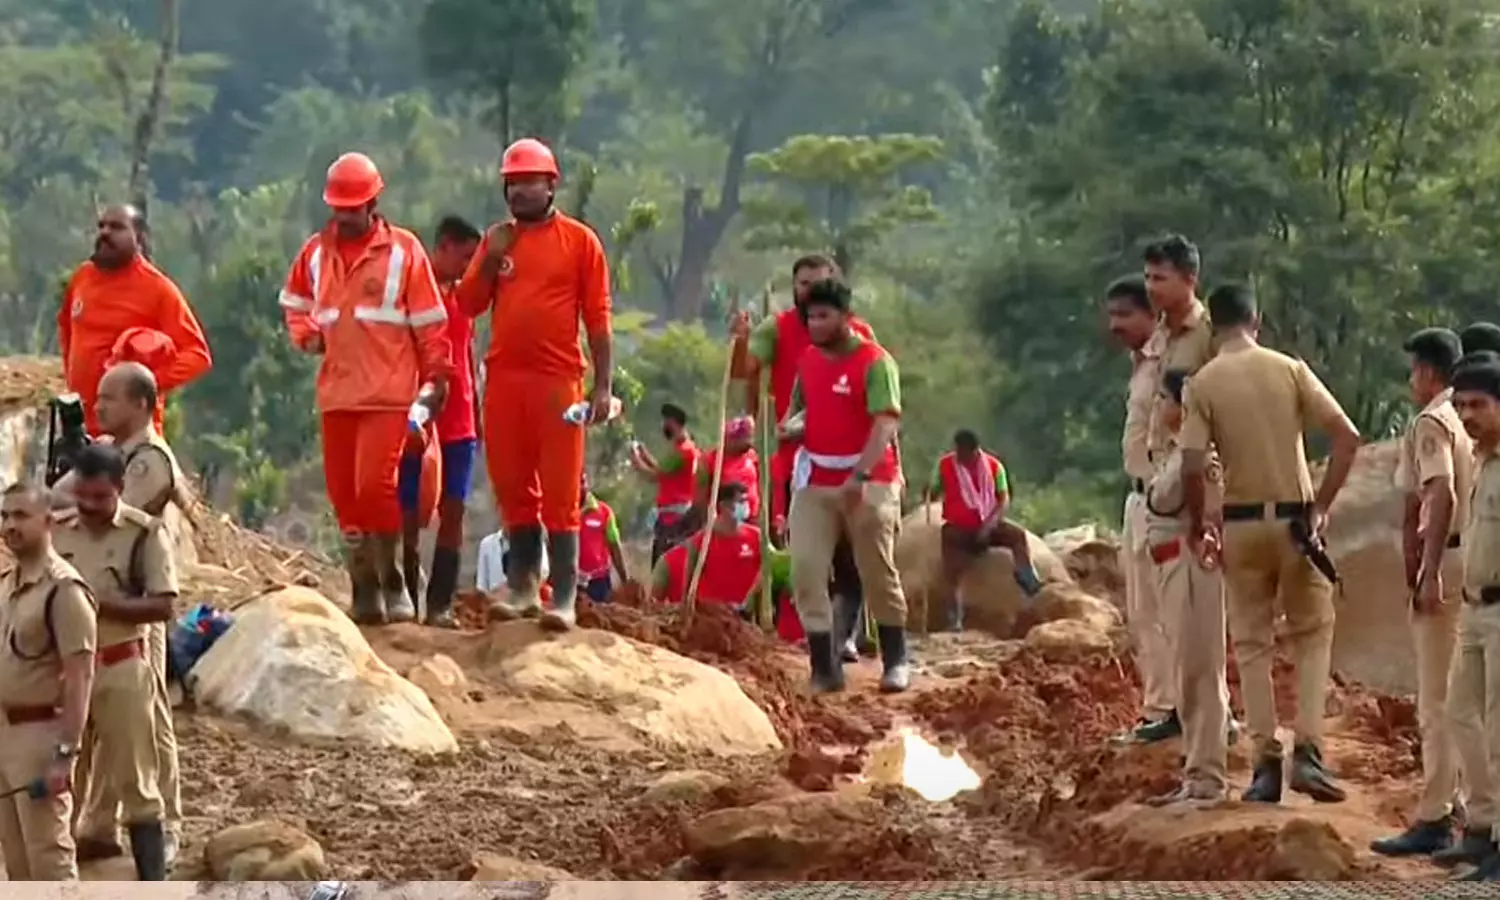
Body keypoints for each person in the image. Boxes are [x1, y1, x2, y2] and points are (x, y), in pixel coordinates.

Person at [1180, 283, 1360, 804]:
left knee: (1252, 644)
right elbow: (1347, 437)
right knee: (1312, 634)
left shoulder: (1202, 384)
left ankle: (1264, 766)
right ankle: (1309, 753)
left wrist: (1200, 524)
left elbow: (1192, 463)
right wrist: (1321, 505)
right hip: (1295, 524)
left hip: (1239, 527)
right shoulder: (1289, 369)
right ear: (1256, 321)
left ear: (1213, 327)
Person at [279, 151, 453, 627]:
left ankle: (393, 581)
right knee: (345, 496)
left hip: (388, 393)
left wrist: (436, 379)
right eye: (338, 207)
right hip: (337, 394)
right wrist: (305, 334)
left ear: (374, 203)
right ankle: (363, 587)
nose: (345, 216)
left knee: (375, 488)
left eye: (353, 207)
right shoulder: (316, 253)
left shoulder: (404, 251)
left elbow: (430, 325)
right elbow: (294, 303)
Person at [455, 137, 613, 632]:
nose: (520, 191)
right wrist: (490, 258)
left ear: (551, 186)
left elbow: (599, 319)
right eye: (513, 183)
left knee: (562, 489)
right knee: (512, 483)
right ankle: (522, 587)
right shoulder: (498, 240)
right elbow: (468, 305)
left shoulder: (580, 242)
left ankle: (563, 596)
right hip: (505, 380)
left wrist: (603, 387)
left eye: (530, 182)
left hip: (559, 381)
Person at [62, 362, 187, 865]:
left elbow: (114, 513)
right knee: (95, 725)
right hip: (98, 616)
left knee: (147, 721)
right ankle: (98, 822)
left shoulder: (148, 460)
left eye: (109, 398)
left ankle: (166, 823)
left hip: (135, 601)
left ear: (141, 403)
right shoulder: (113, 452)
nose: (100, 406)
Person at [736, 255, 877, 660]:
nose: (811, 291)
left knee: (851, 554)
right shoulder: (777, 329)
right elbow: (746, 370)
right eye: (803, 284)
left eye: (819, 284)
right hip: (797, 463)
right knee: (807, 556)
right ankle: (817, 635)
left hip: (849, 462)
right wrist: (742, 341)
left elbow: (880, 400)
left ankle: (843, 635)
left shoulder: (863, 338)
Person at [1370, 329, 1471, 856]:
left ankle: (1436, 814)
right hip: (1474, 560)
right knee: (1468, 698)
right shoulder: (1472, 416)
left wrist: (1426, 569)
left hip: (1448, 559)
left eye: (1414, 370)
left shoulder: (1432, 421)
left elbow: (1440, 489)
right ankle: (1470, 809)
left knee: (1436, 700)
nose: (1411, 381)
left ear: (1429, 372)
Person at [784, 279, 909, 694]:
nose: (816, 325)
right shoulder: (808, 361)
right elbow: (805, 411)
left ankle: (896, 659)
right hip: (816, 480)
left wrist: (859, 476)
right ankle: (824, 667)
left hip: (870, 480)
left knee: (875, 569)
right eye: (810, 317)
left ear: (846, 317)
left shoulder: (876, 362)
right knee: (806, 570)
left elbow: (886, 422)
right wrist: (790, 428)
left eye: (824, 316)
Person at [1136, 236, 1216, 742]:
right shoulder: (1162, 334)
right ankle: (1179, 711)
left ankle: (1207, 723)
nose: (1151, 287)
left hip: (1192, 487)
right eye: (1147, 277)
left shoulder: (1206, 336)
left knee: (1196, 617)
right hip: (1160, 484)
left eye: (1160, 278)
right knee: (1165, 615)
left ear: (1190, 279)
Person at [1142, 368, 1231, 804]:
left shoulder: (1201, 459)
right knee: (1186, 670)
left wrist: (1205, 540)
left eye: (1165, 399)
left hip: (1191, 566)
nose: (1159, 407)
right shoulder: (1176, 453)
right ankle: (1195, 771)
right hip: (1170, 566)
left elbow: (1211, 513)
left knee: (1200, 672)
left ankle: (1206, 777)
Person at [0, 482, 96, 880]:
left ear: (48, 521)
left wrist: (64, 756)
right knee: (17, 862)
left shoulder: (64, 590)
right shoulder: (8, 585)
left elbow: (80, 677)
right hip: (5, 734)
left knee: (49, 860)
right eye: (5, 516)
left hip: (40, 737)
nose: (10, 525)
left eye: (21, 516)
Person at [59, 204, 213, 436]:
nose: (105, 232)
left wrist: (145, 385)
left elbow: (197, 355)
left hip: (132, 434)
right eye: (101, 226)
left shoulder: (158, 289)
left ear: (139, 236)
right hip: (83, 429)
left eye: (116, 227)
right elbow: (67, 332)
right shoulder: (82, 278)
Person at [398, 215, 483, 628]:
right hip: (419, 414)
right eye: (465, 257)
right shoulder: (412, 293)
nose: (468, 268)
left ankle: (440, 604)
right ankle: (405, 595)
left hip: (460, 420)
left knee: (455, 508)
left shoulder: (464, 298)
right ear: (443, 246)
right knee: (409, 509)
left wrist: (478, 411)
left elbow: (467, 355)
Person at [1445, 359, 1500, 881]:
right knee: (1461, 714)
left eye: (1478, 405)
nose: (1466, 416)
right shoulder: (1481, 460)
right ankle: (1482, 827)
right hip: (1474, 607)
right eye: (1460, 405)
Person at [925, 429, 1039, 631]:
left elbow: (1003, 499)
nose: (962, 457)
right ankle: (954, 617)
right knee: (950, 568)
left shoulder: (994, 466)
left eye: (966, 453)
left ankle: (1027, 580)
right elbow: (934, 490)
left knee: (1017, 535)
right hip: (958, 529)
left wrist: (989, 526)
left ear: (976, 450)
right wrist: (929, 494)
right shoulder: (946, 465)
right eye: (959, 452)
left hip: (988, 524)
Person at [649, 483, 762, 607]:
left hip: (746, 612)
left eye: (746, 501)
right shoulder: (700, 542)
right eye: (741, 501)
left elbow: (770, 565)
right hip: (712, 613)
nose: (746, 506)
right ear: (724, 506)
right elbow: (687, 585)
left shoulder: (756, 536)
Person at [630, 403, 699, 563]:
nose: (663, 426)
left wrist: (635, 458)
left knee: (665, 563)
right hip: (676, 514)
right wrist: (644, 454)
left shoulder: (682, 452)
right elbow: (663, 472)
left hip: (673, 518)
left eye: (665, 421)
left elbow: (653, 476)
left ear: (673, 422)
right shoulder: (686, 448)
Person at [691, 415, 760, 528]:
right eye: (745, 438)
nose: (750, 442)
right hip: (725, 521)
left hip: (751, 519)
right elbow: (700, 496)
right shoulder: (709, 461)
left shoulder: (751, 456)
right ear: (730, 440)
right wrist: (709, 522)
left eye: (750, 437)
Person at [578, 475, 628, 604]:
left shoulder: (604, 512)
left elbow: (614, 546)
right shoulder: (563, 512)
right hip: (571, 581)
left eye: (582, 482)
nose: (579, 487)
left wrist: (624, 579)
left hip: (599, 582)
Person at [476, 528, 549, 596]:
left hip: (525, 598)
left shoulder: (535, 541)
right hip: (495, 600)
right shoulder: (487, 543)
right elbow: (481, 584)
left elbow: (543, 573)